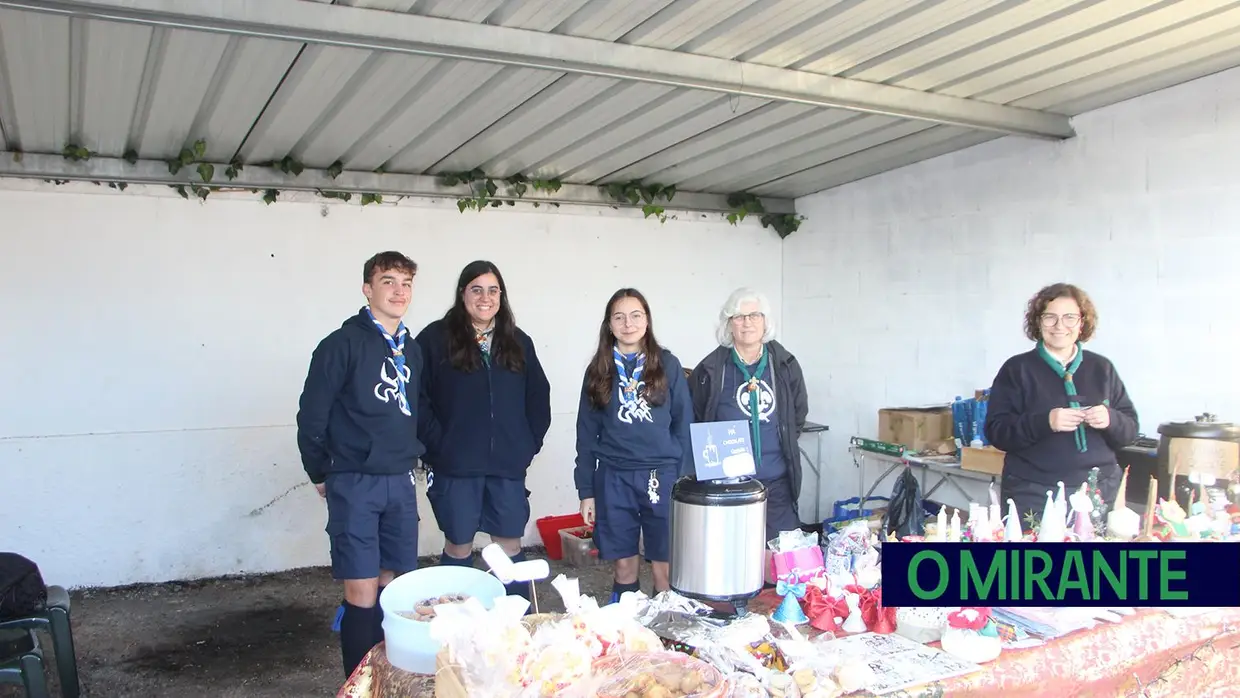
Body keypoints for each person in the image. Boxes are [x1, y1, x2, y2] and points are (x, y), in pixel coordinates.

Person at [296, 251, 432, 678]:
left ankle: (392, 677)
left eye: (406, 283)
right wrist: (321, 471)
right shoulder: (341, 345)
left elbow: (417, 410)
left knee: (395, 587)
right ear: (367, 289)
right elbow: (311, 416)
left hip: (399, 479)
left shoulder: (411, 348)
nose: (398, 291)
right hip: (354, 480)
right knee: (361, 588)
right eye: (388, 281)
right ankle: (359, 683)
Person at [415, 261, 552, 600]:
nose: (485, 297)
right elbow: (417, 398)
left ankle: (518, 629)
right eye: (476, 289)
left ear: (501, 296)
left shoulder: (518, 342)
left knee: (508, 544)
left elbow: (539, 397)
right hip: (455, 467)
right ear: (463, 294)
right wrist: (438, 447)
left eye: (493, 290)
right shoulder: (435, 339)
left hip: (506, 465)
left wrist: (526, 444)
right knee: (459, 543)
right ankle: (457, 631)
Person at [984, 282, 1139, 525]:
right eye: (1049, 318)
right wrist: (1045, 422)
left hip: (1100, 491)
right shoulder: (1017, 369)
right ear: (1037, 322)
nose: (1059, 326)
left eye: (1069, 318)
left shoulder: (1102, 368)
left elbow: (1130, 430)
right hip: (1033, 493)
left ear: (1082, 322)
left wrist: (1111, 419)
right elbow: (997, 432)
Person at [574, 288, 693, 602]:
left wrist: (683, 482)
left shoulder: (667, 364)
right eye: (619, 317)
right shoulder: (598, 370)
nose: (628, 323)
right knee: (624, 565)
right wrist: (586, 490)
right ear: (609, 324)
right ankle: (628, 638)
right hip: (614, 476)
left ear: (647, 320)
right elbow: (586, 436)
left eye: (636, 315)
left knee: (664, 568)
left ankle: (666, 636)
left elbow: (685, 425)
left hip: (662, 477)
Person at [688, 288, 809, 543]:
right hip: (728, 486)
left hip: (777, 482)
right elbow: (696, 418)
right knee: (734, 557)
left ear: (765, 322)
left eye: (754, 315)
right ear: (729, 324)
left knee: (780, 560)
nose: (747, 323)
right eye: (739, 317)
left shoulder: (785, 365)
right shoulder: (710, 369)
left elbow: (798, 414)